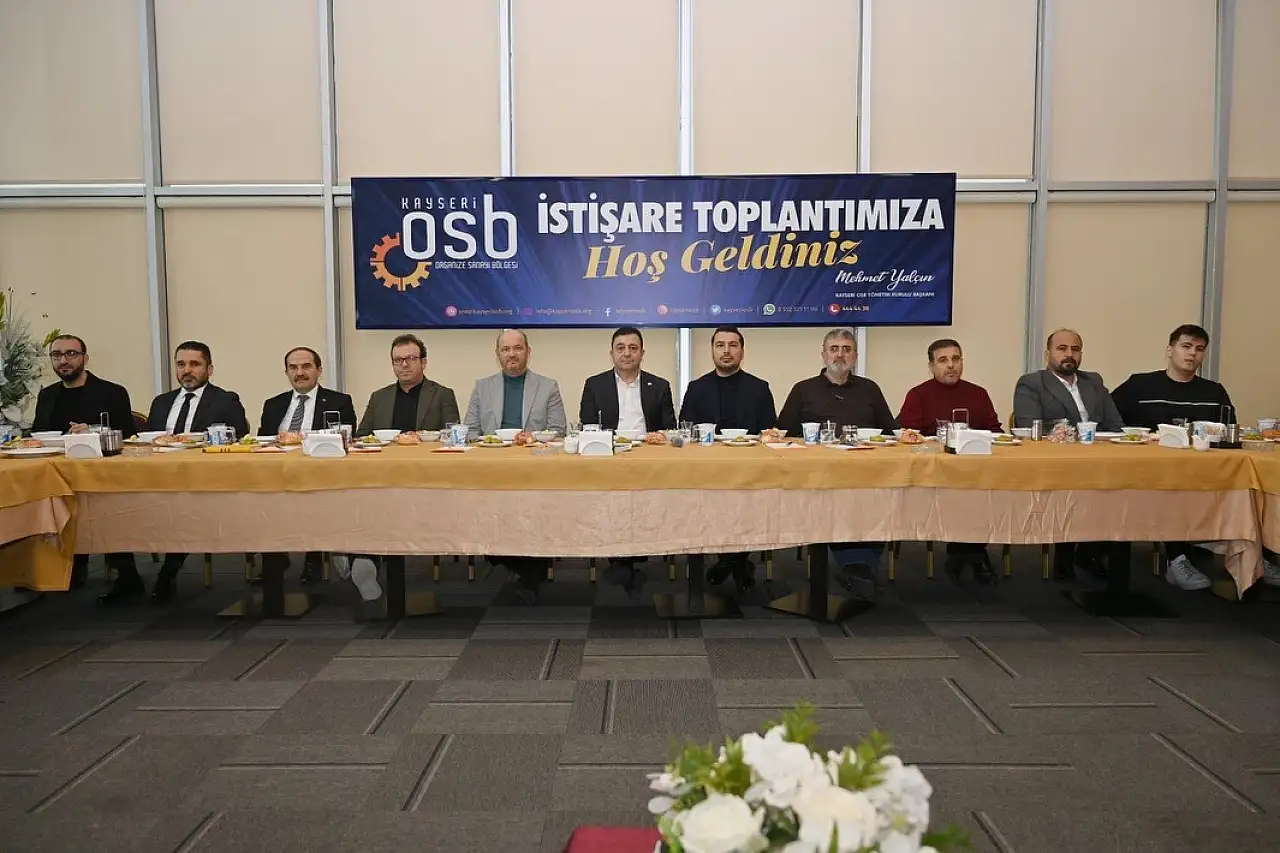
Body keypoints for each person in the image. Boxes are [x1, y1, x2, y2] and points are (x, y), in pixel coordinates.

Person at [1111, 325, 1279, 590]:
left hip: (1207, 472)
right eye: (1186, 346)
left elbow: (1228, 433)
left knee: (1250, 486)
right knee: (1174, 489)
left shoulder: (1214, 392)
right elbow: (1110, 422)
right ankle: (1177, 560)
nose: (1192, 354)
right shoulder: (1139, 385)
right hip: (1155, 474)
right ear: (1170, 350)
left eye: (1199, 349)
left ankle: (1254, 555)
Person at [102, 341, 251, 603]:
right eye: (181, 364)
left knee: (182, 508)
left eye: (195, 364)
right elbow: (148, 440)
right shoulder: (162, 402)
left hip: (197, 481)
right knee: (109, 506)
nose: (187, 370)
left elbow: (237, 435)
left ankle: (167, 574)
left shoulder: (225, 400)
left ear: (209, 369)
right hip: (153, 476)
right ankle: (127, 576)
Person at [776, 328, 898, 599]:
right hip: (820, 475)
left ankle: (860, 566)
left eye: (846, 349)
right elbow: (784, 433)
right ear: (823, 354)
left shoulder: (870, 389)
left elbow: (890, 431)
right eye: (834, 349)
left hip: (867, 472)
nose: (839, 355)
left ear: (855, 356)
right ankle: (857, 567)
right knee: (836, 501)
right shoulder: (803, 389)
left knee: (883, 499)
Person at [345, 334, 460, 602]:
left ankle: (359, 557)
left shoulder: (442, 394)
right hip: (381, 475)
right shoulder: (380, 397)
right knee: (359, 498)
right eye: (398, 360)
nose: (404, 365)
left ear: (424, 362)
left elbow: (453, 435)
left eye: (410, 359)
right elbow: (361, 436)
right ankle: (362, 559)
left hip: (425, 476)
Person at [464, 329, 567, 603]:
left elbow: (559, 430)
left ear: (528, 352)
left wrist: (532, 437)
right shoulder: (482, 387)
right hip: (492, 469)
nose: (512, 354)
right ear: (497, 354)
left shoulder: (548, 386)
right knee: (480, 513)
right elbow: (469, 431)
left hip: (535, 470)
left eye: (518, 348)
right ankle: (530, 570)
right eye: (506, 349)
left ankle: (529, 570)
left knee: (531, 511)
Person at [1012, 329, 1123, 582]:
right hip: (1058, 462)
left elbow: (1115, 425)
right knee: (1077, 489)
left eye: (1075, 349)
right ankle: (1066, 556)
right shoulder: (1032, 383)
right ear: (1047, 354)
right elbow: (1029, 427)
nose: (1069, 354)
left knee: (1122, 488)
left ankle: (1091, 552)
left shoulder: (1094, 382)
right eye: (1062, 349)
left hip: (1099, 458)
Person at [32, 334, 138, 591]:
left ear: (85, 358)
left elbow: (128, 435)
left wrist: (92, 431)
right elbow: (38, 433)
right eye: (57, 355)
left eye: (71, 354)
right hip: (57, 476)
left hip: (102, 475)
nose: (64, 360)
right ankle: (51, 567)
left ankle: (126, 574)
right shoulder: (47, 395)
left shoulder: (112, 392)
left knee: (106, 506)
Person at [678, 325, 776, 592]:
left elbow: (769, 431)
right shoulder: (697, 388)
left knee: (746, 502)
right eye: (720, 345)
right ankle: (737, 561)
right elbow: (685, 430)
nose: (726, 351)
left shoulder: (759, 388)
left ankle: (730, 560)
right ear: (712, 350)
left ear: (742, 351)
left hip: (749, 470)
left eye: (733, 345)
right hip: (706, 469)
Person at [579, 327, 677, 592]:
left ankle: (629, 557)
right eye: (620, 348)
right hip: (608, 457)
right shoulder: (595, 385)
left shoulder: (659, 386)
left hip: (649, 459)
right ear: (611, 353)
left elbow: (669, 429)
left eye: (633, 348)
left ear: (642, 353)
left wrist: (658, 438)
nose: (627, 353)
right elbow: (588, 425)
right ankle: (622, 558)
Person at [897, 338, 1001, 585]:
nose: (951, 365)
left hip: (974, 471)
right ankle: (973, 555)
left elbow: (995, 432)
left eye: (955, 359)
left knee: (985, 490)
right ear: (931, 366)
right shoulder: (918, 395)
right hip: (934, 474)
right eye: (943, 360)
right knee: (961, 493)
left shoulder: (978, 394)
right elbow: (909, 435)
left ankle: (967, 552)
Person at [255, 346, 356, 586]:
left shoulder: (339, 401)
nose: (299, 373)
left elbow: (345, 439)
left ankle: (314, 556)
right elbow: (263, 440)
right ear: (287, 372)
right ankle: (275, 556)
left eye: (306, 366)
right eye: (293, 368)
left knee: (315, 495)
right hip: (278, 472)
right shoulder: (273, 404)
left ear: (319, 370)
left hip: (320, 471)